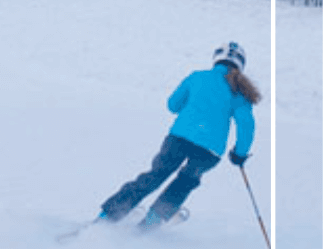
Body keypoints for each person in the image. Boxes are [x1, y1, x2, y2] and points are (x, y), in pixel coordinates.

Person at [99, 42, 261, 232]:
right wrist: (240, 153)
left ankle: (110, 214)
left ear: (216, 58)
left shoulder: (197, 77)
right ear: (241, 64)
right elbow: (246, 125)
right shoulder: (239, 90)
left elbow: (173, 105)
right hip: (209, 151)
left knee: (155, 175)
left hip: (178, 140)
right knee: (185, 181)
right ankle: (152, 220)